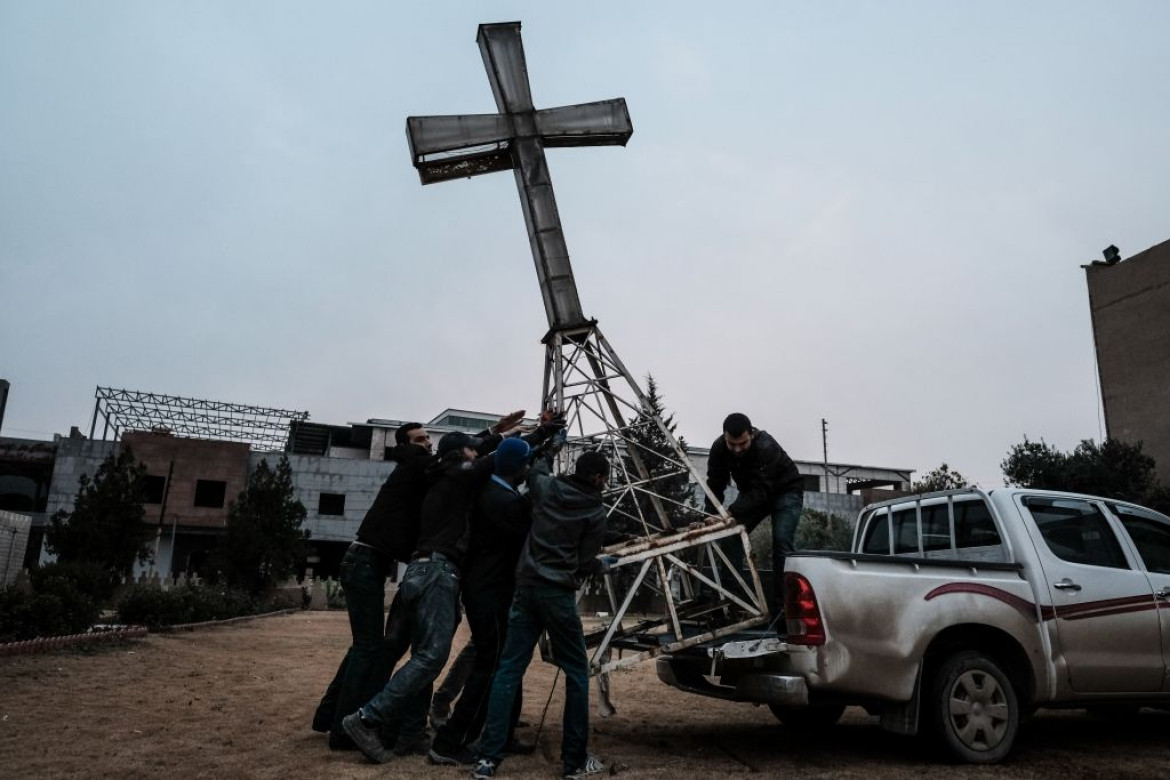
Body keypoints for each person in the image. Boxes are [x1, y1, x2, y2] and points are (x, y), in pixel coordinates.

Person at [342, 419, 558, 764]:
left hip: (421, 570)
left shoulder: (445, 480)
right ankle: (366, 718)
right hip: (437, 571)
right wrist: (540, 438)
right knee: (431, 657)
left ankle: (405, 734)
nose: (478, 454)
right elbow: (500, 458)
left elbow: (494, 456)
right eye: (473, 450)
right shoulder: (457, 474)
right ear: (462, 455)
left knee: (416, 653)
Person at [472, 448, 612, 780]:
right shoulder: (595, 512)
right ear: (597, 478)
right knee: (577, 672)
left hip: (526, 589)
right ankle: (574, 760)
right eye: (605, 477)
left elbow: (536, 470)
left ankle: (488, 758)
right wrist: (600, 565)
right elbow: (584, 561)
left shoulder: (546, 489)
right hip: (557, 593)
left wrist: (551, 446)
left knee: (508, 671)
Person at [427, 437, 536, 766]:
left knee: (505, 661)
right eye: (528, 464)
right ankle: (451, 741)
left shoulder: (492, 490)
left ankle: (500, 733)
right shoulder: (501, 500)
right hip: (489, 591)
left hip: (487, 590)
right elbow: (530, 524)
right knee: (492, 665)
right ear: (519, 467)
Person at [705, 412, 804, 616]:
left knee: (781, 542)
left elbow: (762, 490)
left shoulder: (766, 446)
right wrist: (711, 515)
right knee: (730, 535)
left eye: (743, 443)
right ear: (725, 437)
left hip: (784, 492)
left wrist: (731, 511)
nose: (738, 449)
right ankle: (733, 605)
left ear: (751, 433)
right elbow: (715, 483)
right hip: (754, 495)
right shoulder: (718, 449)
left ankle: (782, 610)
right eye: (732, 444)